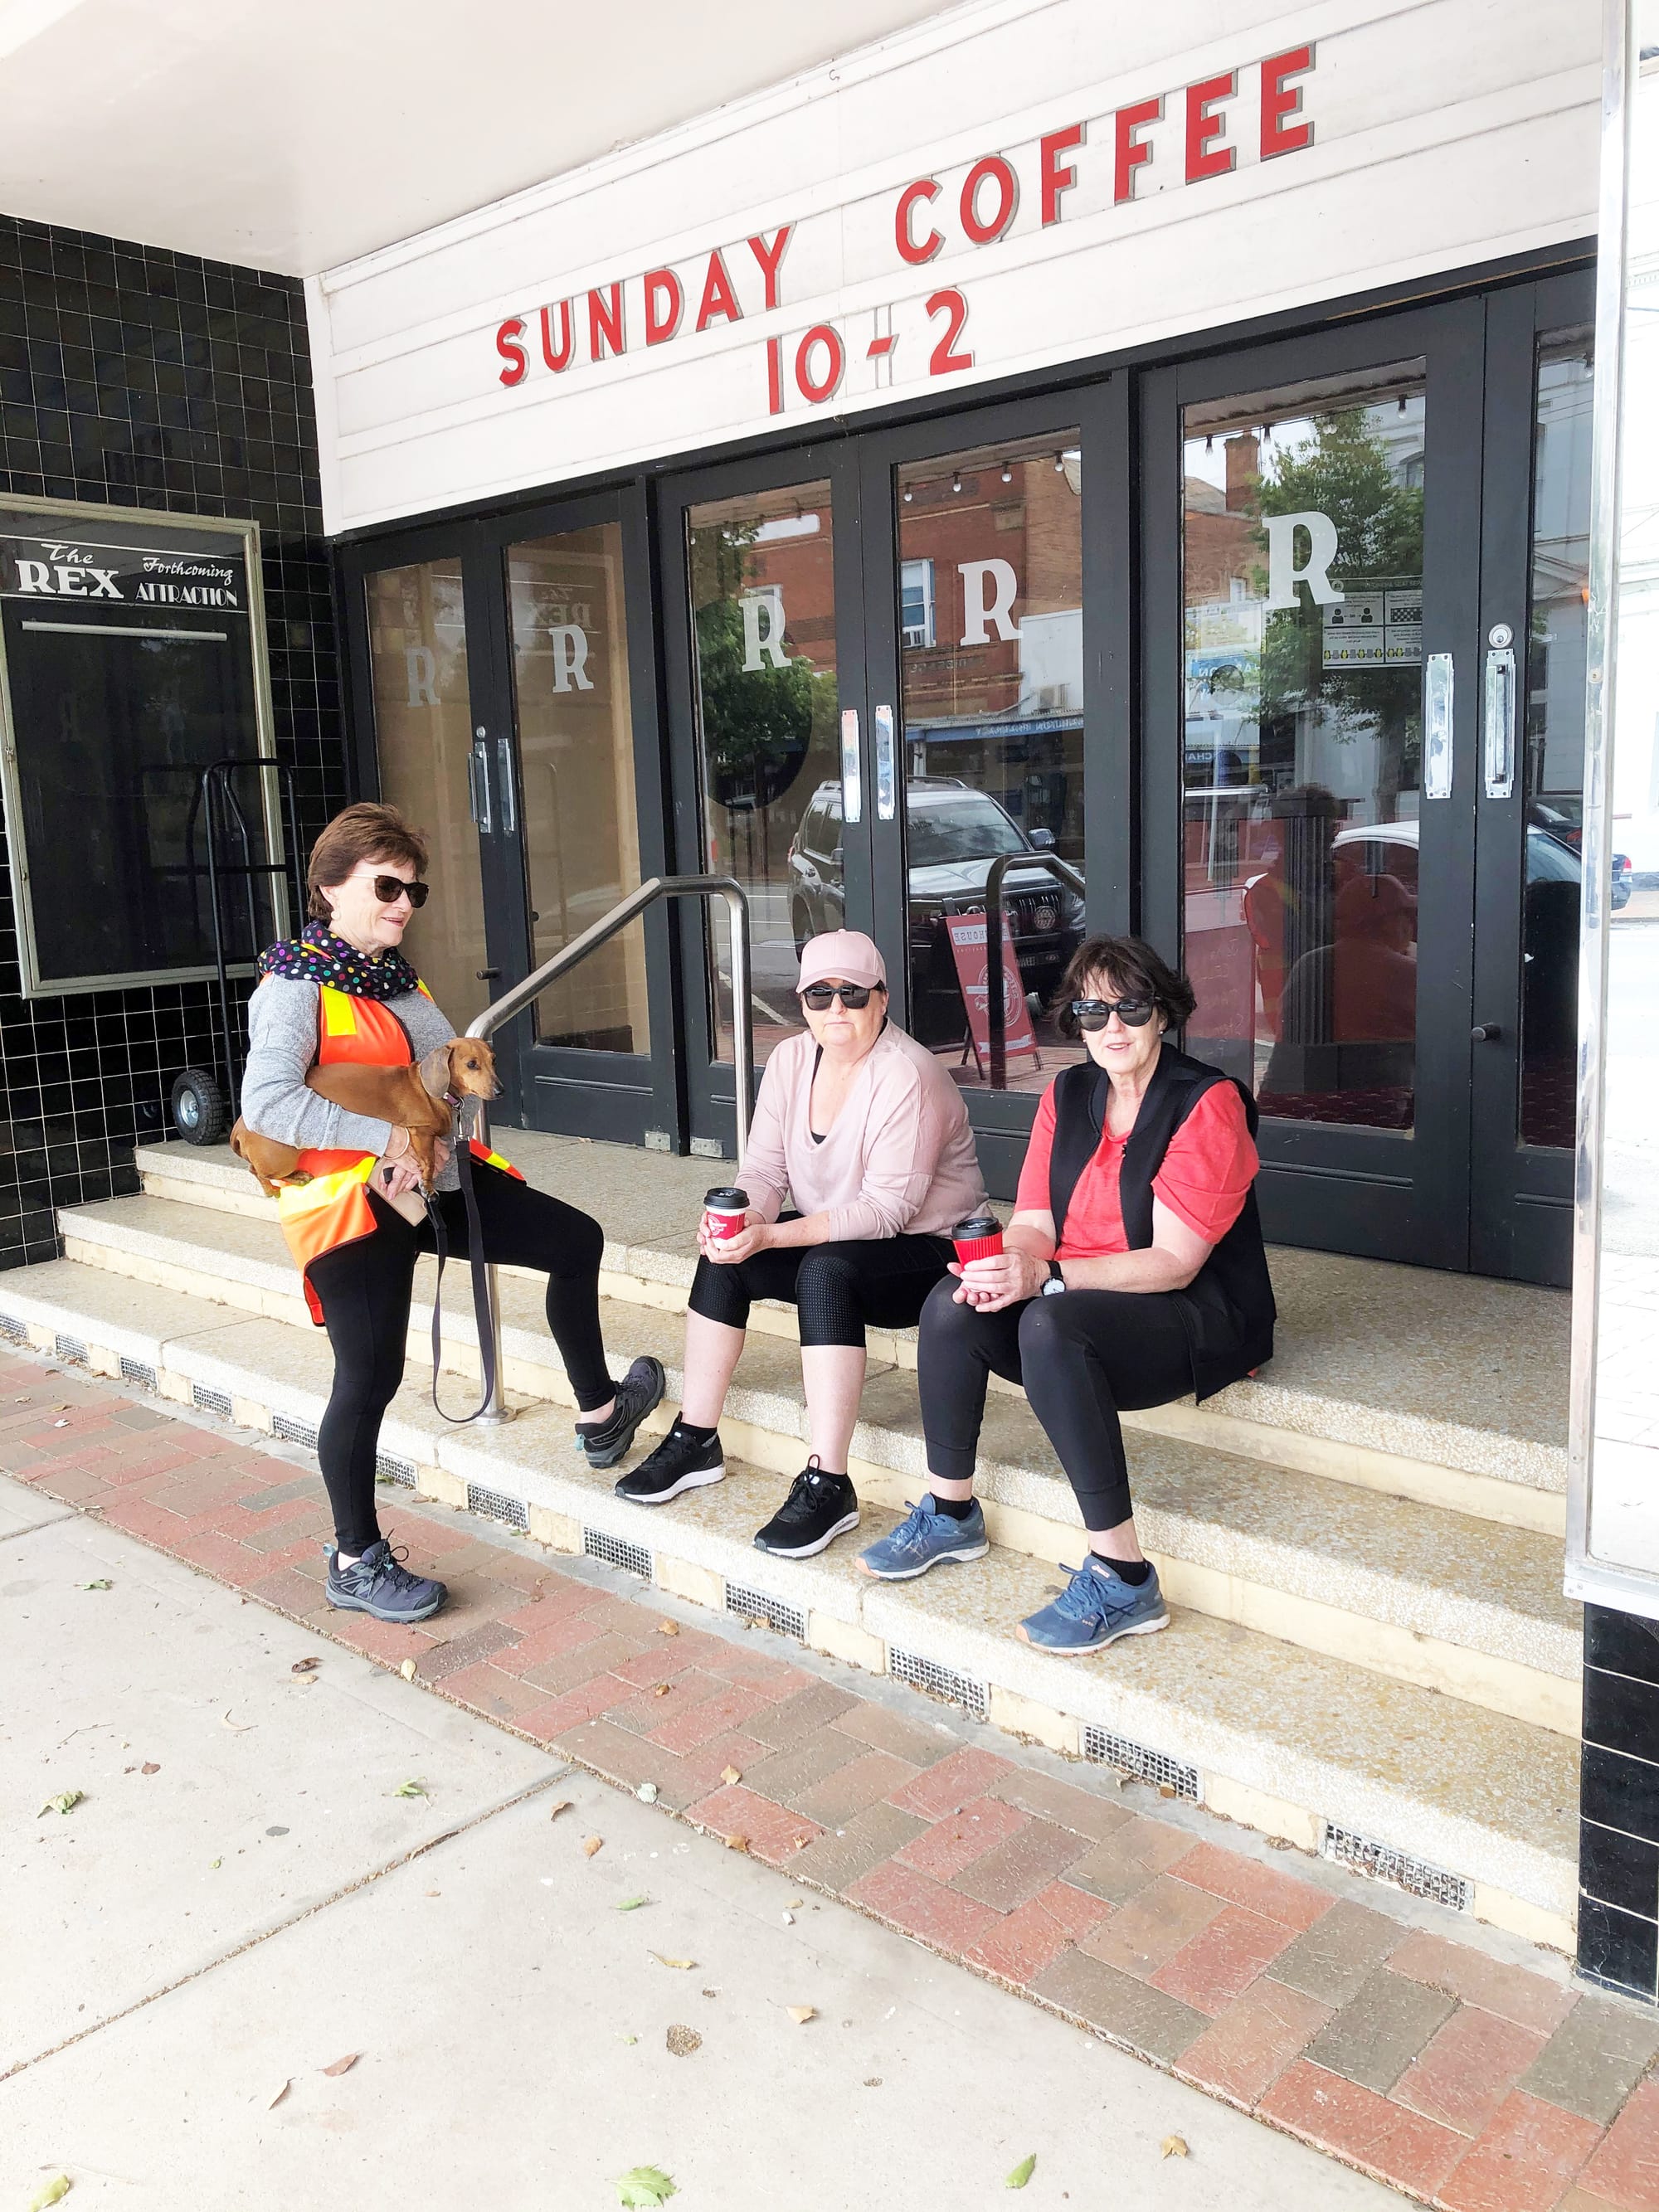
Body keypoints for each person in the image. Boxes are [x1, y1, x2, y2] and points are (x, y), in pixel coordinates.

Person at [240, 803, 664, 1625]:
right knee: (370, 1378)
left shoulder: (399, 981)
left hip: (429, 1186)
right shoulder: (293, 985)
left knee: (574, 1240)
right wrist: (389, 1138)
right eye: (387, 887)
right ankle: (355, 1560)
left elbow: (451, 1085)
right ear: (330, 887)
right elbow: (268, 1105)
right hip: (350, 1208)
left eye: (415, 891)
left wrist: (435, 1141)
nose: (404, 904)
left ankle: (602, 1415)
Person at [859, 932, 1276, 1654]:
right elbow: (1035, 1222)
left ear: (1163, 1013)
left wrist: (1047, 1279)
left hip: (1192, 1313)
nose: (1112, 1027)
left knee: (1049, 1323)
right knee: (951, 1305)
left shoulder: (1205, 1102)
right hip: (1078, 1298)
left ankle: (1124, 1574)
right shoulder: (1068, 1091)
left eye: (1131, 1007)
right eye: (1092, 1011)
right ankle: (950, 1513)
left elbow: (1176, 1262)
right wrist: (1007, 1267)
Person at [615, 929, 987, 1559]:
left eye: (853, 993)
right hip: (839, 1238)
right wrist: (743, 1221)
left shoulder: (907, 1073)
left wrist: (774, 1233)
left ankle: (829, 1481)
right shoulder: (790, 1060)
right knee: (728, 1255)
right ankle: (696, 1438)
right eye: (820, 995)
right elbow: (763, 1170)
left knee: (823, 1270)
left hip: (932, 1251)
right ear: (802, 1002)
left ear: (882, 998)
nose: (836, 1008)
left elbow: (887, 1211)